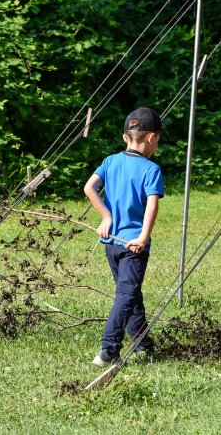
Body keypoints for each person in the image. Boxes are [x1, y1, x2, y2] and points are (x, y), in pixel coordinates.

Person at [83, 107, 164, 367]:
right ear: (152, 138)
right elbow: (152, 205)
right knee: (127, 295)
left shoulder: (110, 161)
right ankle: (109, 349)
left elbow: (89, 187)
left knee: (131, 292)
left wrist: (106, 217)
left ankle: (143, 344)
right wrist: (143, 237)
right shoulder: (151, 169)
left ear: (125, 136)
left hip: (111, 243)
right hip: (133, 246)